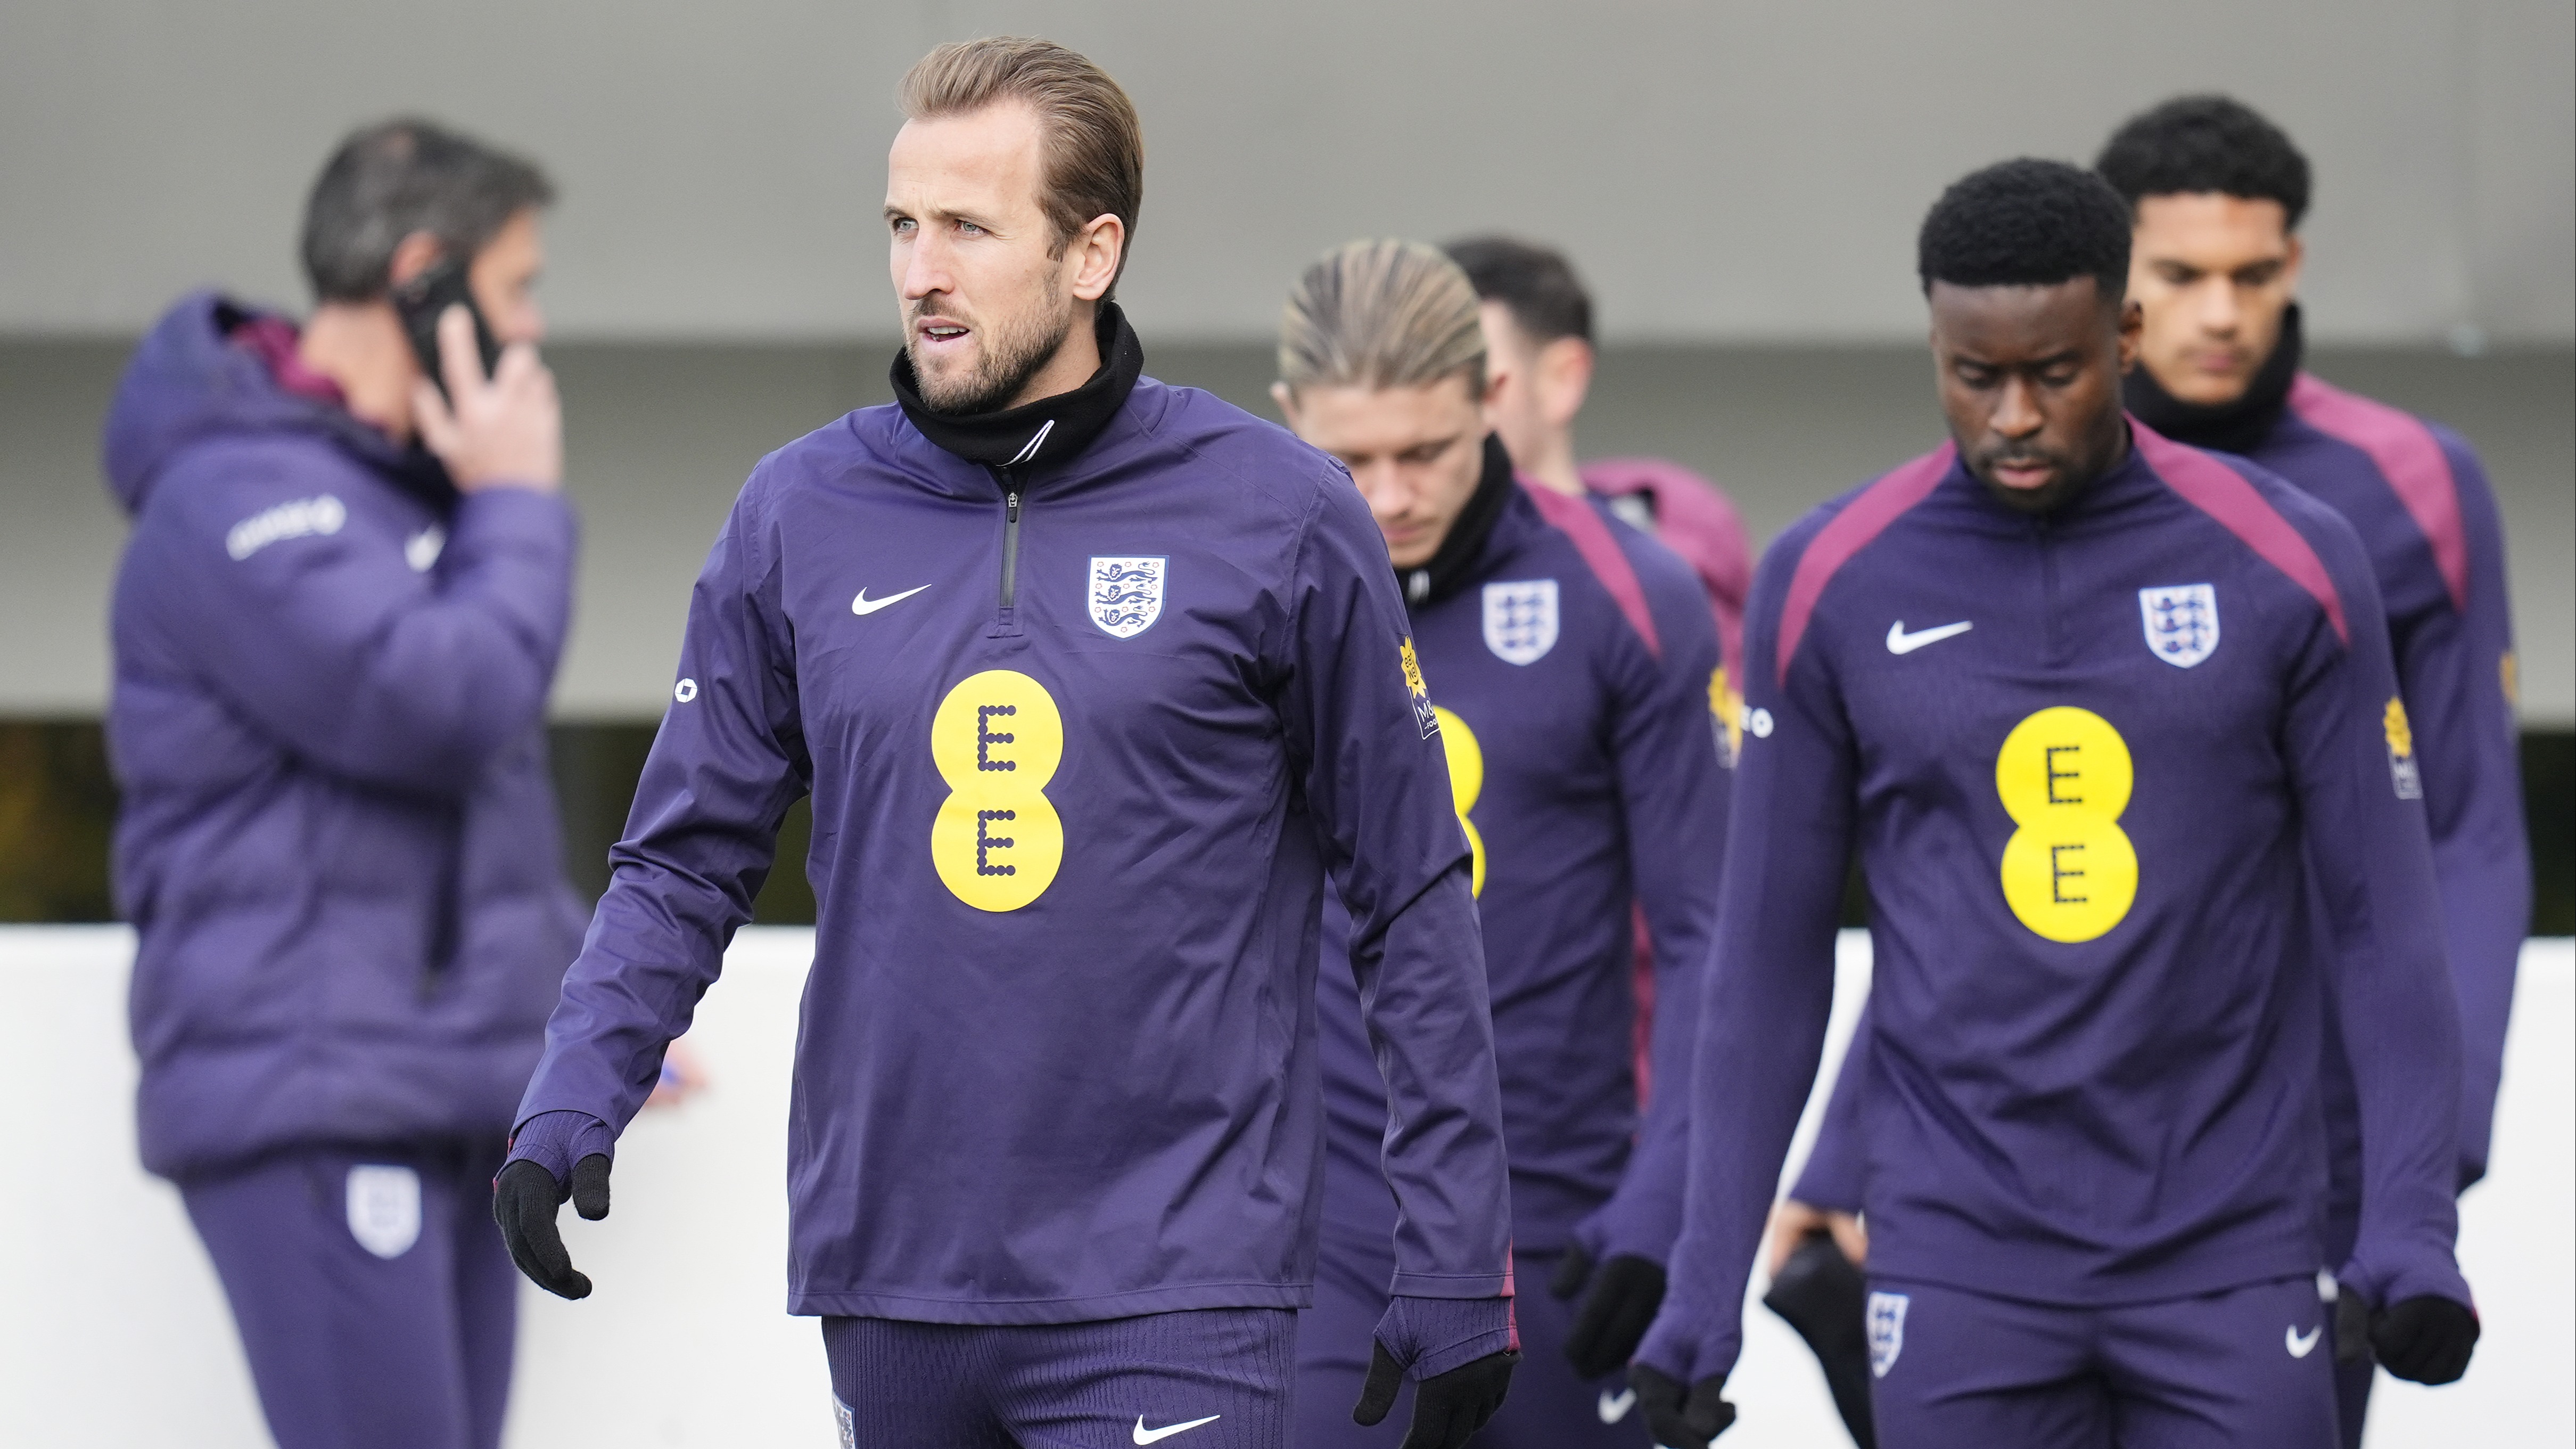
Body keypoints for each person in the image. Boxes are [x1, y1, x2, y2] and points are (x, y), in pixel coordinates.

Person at [491, 38, 1518, 1449]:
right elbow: (683, 861)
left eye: (968, 228)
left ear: (1091, 253)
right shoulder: (796, 511)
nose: (921, 270)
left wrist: (1454, 1248)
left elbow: (1407, 892)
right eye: (902, 224)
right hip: (892, 1278)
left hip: (1177, 1279)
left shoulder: (1279, 512)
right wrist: (571, 1093)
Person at [1628, 159, 2480, 1449]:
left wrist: (2412, 1221)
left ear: (2124, 336)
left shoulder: (2291, 557)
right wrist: (1703, 1287)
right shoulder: (1829, 578)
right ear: (1934, 345)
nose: (2014, 415)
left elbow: (2383, 922)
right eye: (1976, 375)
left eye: (2055, 373)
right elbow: (1764, 961)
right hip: (1956, 1261)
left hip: (2231, 1249)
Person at [100, 119, 578, 1449]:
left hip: (436, 1089)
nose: (532, 329)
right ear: (425, 276)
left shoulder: (403, 491)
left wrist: (586, 994)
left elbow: (463, 816)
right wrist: (519, 503)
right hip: (317, 1093)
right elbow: (436, 708)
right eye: (519, 287)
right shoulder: (235, 495)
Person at [1273, 240, 1731, 1447]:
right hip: (1328, 1244)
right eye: (1350, 459)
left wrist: (1668, 1200)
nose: (1389, 495)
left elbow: (1710, 937)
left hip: (1565, 1231)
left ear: (1492, 397)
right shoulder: (1251, 601)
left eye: (1425, 450)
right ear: (1287, 416)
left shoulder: (1630, 595)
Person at [1444, 236, 1753, 677]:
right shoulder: (1378, 558)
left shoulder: (1663, 560)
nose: (1438, 409)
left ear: (1562, 379)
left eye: (1474, 384)